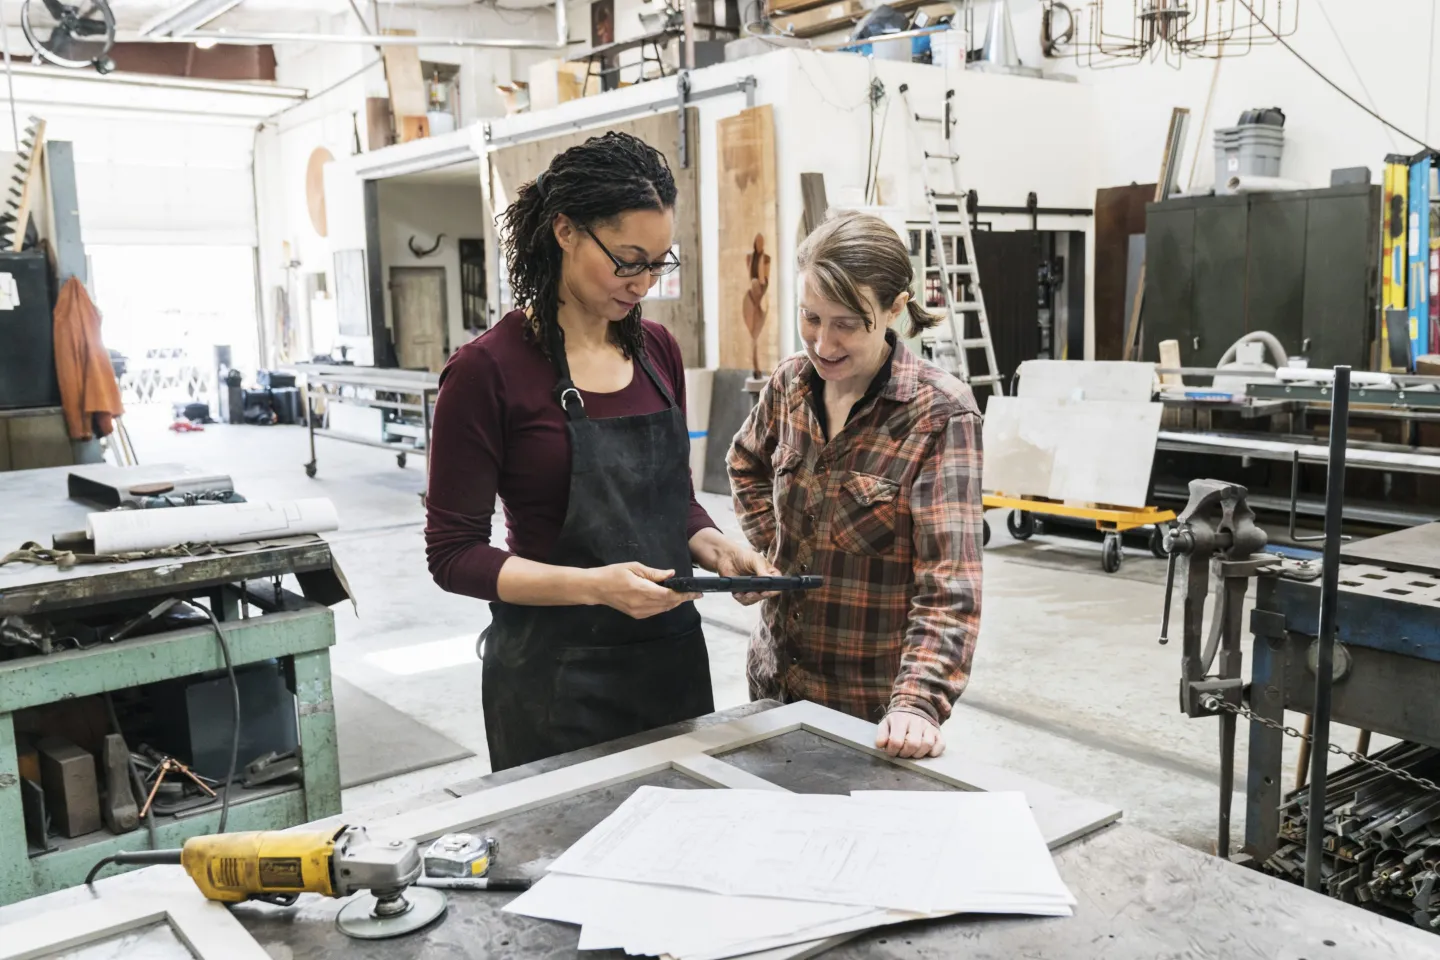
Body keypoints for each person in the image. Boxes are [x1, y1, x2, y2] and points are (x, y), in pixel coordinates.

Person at [425, 132, 776, 771]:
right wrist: (594, 588)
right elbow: (454, 555)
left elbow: (672, 500)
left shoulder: (658, 352)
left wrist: (714, 544)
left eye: (659, 263)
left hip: (670, 666)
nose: (642, 282)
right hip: (553, 683)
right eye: (627, 260)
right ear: (565, 231)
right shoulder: (487, 371)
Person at [728, 212, 984, 760]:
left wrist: (917, 703)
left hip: (867, 712)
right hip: (773, 684)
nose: (823, 343)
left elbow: (949, 583)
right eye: (810, 317)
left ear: (895, 307)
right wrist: (772, 555)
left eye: (846, 323)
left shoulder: (939, 416)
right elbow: (745, 463)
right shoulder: (791, 384)